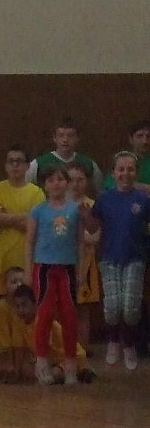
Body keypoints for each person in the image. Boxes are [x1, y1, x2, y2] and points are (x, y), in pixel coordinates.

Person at [24, 164, 91, 385]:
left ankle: (70, 365)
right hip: (44, 268)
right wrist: (28, 272)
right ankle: (41, 364)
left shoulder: (75, 210)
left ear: (67, 183)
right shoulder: (38, 211)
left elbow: (80, 242)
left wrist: (81, 270)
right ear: (44, 185)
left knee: (69, 316)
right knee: (44, 315)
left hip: (68, 269)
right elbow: (29, 242)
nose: (56, 184)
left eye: (60, 179)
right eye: (51, 180)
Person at [84, 152, 150, 371]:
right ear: (113, 173)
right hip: (109, 258)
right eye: (121, 169)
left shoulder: (143, 199)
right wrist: (85, 216)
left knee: (130, 307)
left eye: (130, 169)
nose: (125, 174)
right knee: (113, 307)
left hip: (135, 258)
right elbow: (93, 227)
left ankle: (129, 344)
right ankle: (113, 340)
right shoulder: (104, 198)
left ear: (136, 173)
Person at [0, 146, 45, 296]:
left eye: (19, 161)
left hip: (26, 260)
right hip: (0, 259)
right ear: (6, 166)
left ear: (27, 166)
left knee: (27, 303)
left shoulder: (37, 192)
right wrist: (24, 216)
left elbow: (37, 225)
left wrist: (6, 217)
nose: (15, 165)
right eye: (11, 161)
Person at [66, 161, 99, 354]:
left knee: (83, 309)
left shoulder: (93, 205)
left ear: (87, 181)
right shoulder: (59, 204)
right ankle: (63, 349)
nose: (75, 184)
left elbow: (95, 237)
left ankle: (82, 351)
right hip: (62, 262)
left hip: (85, 264)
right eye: (71, 179)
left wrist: (75, 236)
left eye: (80, 179)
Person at [27, 116, 103, 192]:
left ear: (77, 138)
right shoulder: (38, 164)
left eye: (70, 136)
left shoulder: (89, 164)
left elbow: (98, 191)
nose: (65, 140)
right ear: (54, 138)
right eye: (61, 135)